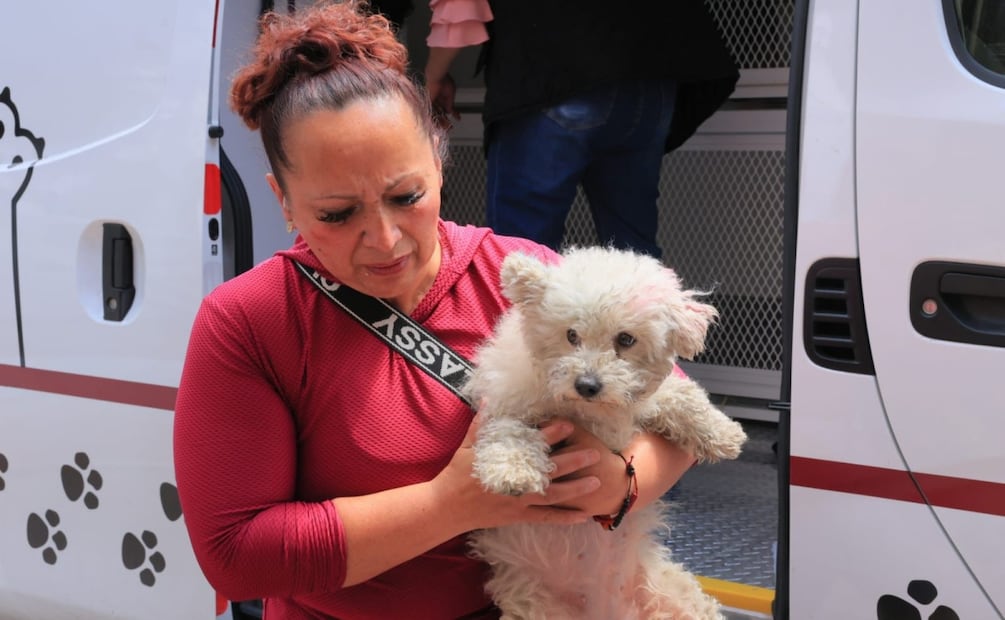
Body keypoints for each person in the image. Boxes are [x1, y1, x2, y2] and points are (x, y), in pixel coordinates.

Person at [172, 2, 695, 618]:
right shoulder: (250, 322)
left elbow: (671, 404)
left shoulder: (516, 271)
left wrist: (622, 483)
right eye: (337, 215)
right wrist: (454, 502)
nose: (386, 239)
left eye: (405, 196)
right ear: (283, 202)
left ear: (440, 166)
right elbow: (237, 557)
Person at [422, 0, 739, 258]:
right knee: (634, 257)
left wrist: (433, 77)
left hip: (551, 71)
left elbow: (461, 7)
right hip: (649, 79)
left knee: (523, 258)